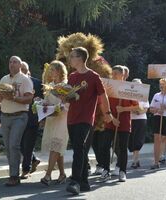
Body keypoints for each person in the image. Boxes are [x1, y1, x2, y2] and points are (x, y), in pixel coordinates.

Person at [66, 47, 119, 195]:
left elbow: (103, 96)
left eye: (73, 56)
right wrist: (61, 94)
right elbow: (68, 96)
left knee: (78, 148)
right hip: (71, 118)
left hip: (86, 118)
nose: (70, 59)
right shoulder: (72, 76)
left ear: (81, 58)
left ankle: (75, 181)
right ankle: (84, 182)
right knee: (80, 149)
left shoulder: (94, 76)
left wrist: (108, 113)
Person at [0, 56, 34, 186]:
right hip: (5, 116)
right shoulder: (4, 79)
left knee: (14, 145)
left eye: (15, 62)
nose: (12, 64)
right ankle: (13, 172)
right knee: (8, 146)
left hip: (19, 116)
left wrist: (13, 98)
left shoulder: (25, 79)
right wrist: (0, 96)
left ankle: (14, 176)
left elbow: (29, 99)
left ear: (20, 64)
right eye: (10, 62)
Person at [100, 65, 139, 182]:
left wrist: (123, 109)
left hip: (124, 123)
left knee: (122, 148)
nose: (113, 76)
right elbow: (102, 102)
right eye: (112, 74)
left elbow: (137, 106)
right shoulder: (108, 87)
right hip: (110, 121)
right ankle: (106, 170)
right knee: (105, 146)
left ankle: (122, 171)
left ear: (122, 75)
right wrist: (112, 118)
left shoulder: (129, 88)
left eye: (116, 74)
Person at [40, 60, 69, 185]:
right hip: (51, 119)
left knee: (56, 145)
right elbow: (46, 101)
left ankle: (48, 175)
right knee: (57, 148)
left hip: (62, 119)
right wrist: (40, 106)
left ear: (59, 71)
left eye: (52, 69)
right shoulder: (49, 85)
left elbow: (68, 104)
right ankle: (62, 174)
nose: (50, 72)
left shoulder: (66, 86)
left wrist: (61, 108)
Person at [20, 61, 42, 179]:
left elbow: (44, 101)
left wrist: (42, 117)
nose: (21, 72)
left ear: (28, 71)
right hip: (17, 118)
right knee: (19, 145)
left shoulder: (37, 83)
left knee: (28, 145)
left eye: (24, 69)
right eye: (20, 69)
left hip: (33, 119)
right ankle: (34, 159)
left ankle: (25, 170)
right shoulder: (15, 83)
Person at [129, 78, 149, 168]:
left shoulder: (143, 95)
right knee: (132, 139)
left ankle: (135, 160)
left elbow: (146, 108)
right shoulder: (129, 95)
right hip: (131, 119)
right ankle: (136, 159)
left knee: (138, 139)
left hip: (141, 119)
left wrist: (139, 112)